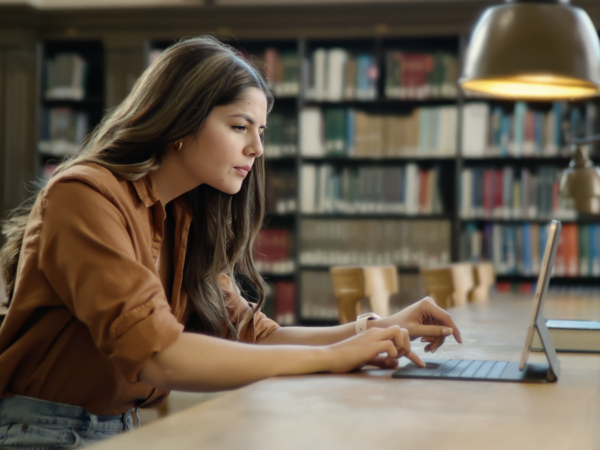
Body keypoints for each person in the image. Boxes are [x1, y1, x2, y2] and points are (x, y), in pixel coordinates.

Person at [0, 36, 462, 448]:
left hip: (120, 427)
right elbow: (157, 357)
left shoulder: (185, 214)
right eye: (240, 127)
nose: (257, 149)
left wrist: (369, 330)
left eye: (260, 131)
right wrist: (331, 357)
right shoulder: (84, 195)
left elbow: (254, 335)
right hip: (40, 432)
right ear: (181, 122)